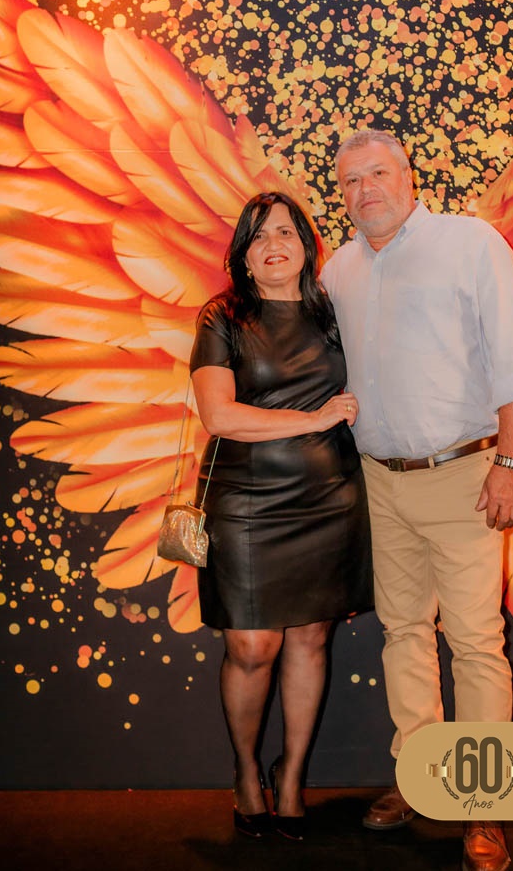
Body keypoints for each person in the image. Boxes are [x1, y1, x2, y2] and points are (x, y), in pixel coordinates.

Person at [321, 130, 513, 871]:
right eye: (351, 181)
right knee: (404, 634)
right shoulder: (339, 271)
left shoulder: (471, 244)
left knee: (475, 642)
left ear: (408, 176)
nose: (365, 191)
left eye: (377, 173)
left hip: (466, 475)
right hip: (379, 480)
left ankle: (482, 804)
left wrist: (511, 463)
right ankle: (419, 777)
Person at [189, 191, 373, 840]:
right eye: (259, 236)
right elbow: (219, 416)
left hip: (328, 497)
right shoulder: (223, 316)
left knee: (310, 639)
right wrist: (315, 418)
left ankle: (291, 777)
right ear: (242, 253)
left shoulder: (334, 314)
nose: (274, 245)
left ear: (306, 245)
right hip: (246, 502)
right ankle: (246, 772)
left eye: (286, 233)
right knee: (252, 645)